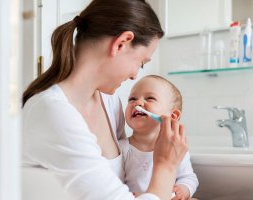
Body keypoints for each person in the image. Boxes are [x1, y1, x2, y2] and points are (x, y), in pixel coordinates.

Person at [21, 0, 188, 199]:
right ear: (121, 43)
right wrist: (166, 166)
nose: (135, 75)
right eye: (141, 63)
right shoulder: (52, 111)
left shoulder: (110, 103)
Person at [120, 75, 199, 200]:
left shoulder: (176, 148)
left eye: (150, 98)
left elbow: (189, 177)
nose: (138, 103)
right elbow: (115, 186)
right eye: (132, 99)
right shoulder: (122, 149)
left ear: (172, 116)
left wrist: (184, 189)